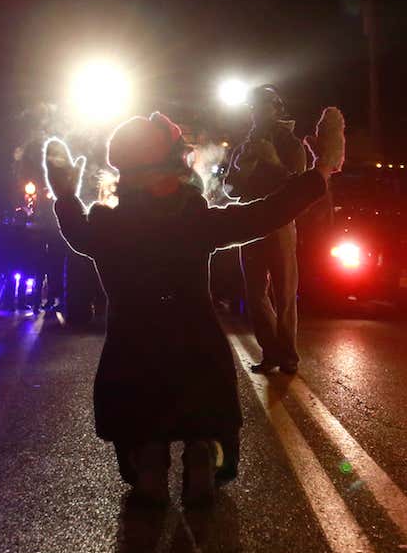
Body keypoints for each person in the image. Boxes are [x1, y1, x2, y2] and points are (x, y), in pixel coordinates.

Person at [47, 108, 344, 506]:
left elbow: (78, 235)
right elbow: (263, 215)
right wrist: (319, 173)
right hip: (195, 344)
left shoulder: (108, 224)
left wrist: (66, 195)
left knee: (137, 408)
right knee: (207, 404)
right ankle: (204, 454)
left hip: (132, 347)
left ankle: (149, 460)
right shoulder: (193, 219)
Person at [224, 85, 309, 374]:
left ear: (277, 108)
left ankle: (289, 355)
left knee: (285, 293)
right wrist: (243, 167)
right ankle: (271, 353)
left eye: (263, 106)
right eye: (254, 107)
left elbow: (301, 187)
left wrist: (273, 160)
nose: (257, 112)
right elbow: (231, 189)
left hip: (281, 223)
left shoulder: (292, 145)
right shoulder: (245, 146)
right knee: (255, 293)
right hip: (251, 223)